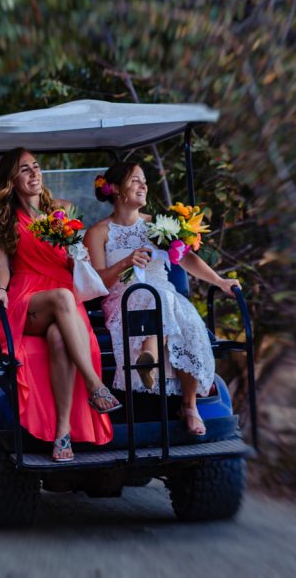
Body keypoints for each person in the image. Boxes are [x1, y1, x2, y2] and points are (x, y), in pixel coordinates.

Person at [83, 162, 240, 436]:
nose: (143, 185)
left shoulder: (157, 225)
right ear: (117, 189)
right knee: (157, 298)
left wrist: (219, 281)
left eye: (144, 180)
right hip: (124, 298)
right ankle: (149, 359)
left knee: (189, 323)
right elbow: (97, 284)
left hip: (164, 294)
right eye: (135, 181)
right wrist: (125, 263)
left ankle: (187, 404)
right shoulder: (98, 233)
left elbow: (187, 258)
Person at [0, 148, 117, 462]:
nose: (34, 174)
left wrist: (77, 256)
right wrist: (1, 289)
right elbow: (2, 265)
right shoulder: (5, 219)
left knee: (59, 338)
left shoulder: (62, 210)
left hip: (64, 295)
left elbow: (75, 257)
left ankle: (62, 435)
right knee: (63, 297)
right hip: (29, 298)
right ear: (11, 180)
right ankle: (95, 385)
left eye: (36, 167)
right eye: (24, 170)